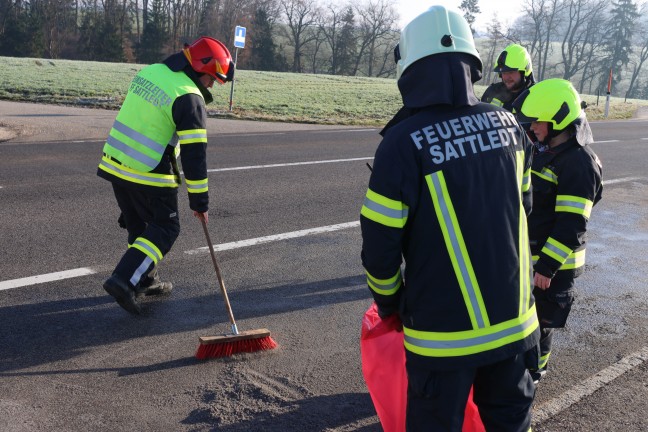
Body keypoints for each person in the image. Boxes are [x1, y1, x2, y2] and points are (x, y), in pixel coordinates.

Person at [360, 6, 540, 431]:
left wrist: (390, 304)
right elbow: (524, 210)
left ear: (410, 68)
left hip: (442, 340)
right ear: (472, 64)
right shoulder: (511, 126)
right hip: (516, 327)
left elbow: (380, 247)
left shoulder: (402, 144)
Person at [97, 36, 234, 315]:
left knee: (139, 226)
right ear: (200, 69)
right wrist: (199, 203)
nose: (211, 86)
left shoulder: (151, 72)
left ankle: (144, 279)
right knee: (166, 228)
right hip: (149, 170)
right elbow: (195, 157)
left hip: (115, 162)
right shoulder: (189, 97)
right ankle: (123, 279)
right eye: (212, 79)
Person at [512, 79, 603, 383]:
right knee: (522, 324)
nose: (533, 127)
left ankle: (534, 377)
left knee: (539, 326)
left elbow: (572, 223)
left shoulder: (579, 163)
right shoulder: (548, 149)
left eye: (538, 121)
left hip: (551, 266)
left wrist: (547, 267)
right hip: (532, 259)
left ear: (558, 120)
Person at [481, 43, 535, 111]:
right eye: (503, 73)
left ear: (524, 72)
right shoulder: (492, 91)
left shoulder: (535, 96)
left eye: (511, 72)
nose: (506, 77)